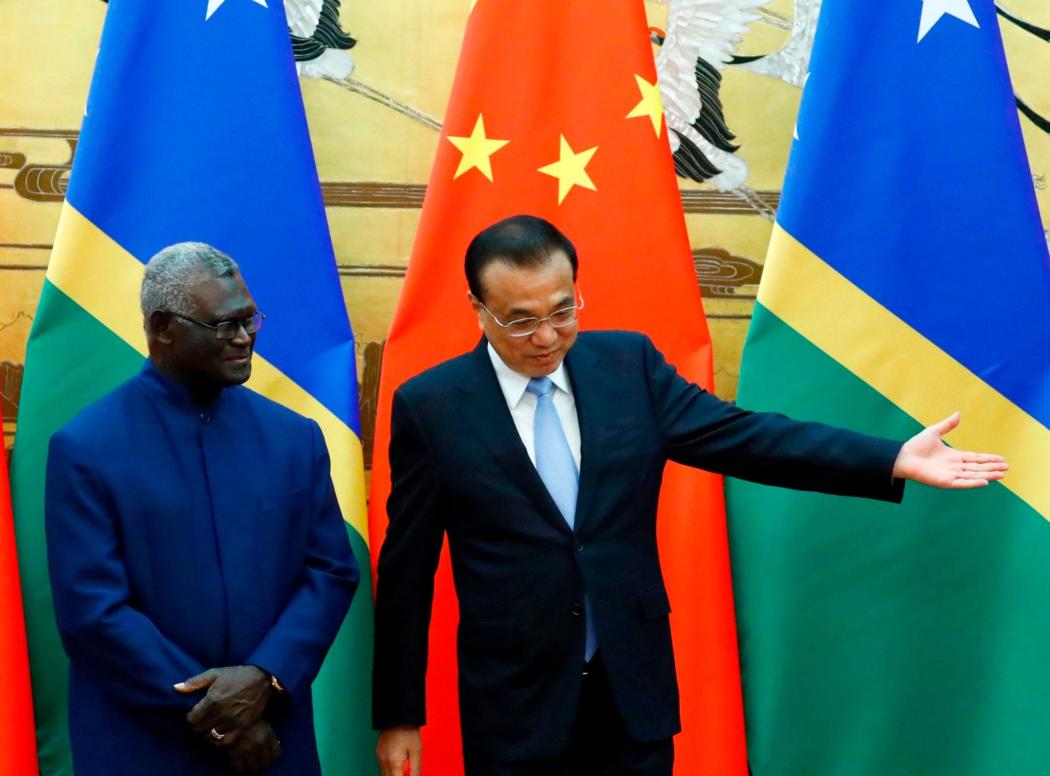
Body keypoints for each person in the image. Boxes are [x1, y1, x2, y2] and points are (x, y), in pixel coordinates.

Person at [371, 215, 1007, 776]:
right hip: (515, 705)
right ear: (477, 309)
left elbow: (745, 437)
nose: (545, 337)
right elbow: (407, 572)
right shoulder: (433, 406)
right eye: (521, 320)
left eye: (563, 311)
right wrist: (399, 715)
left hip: (632, 691)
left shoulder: (626, 367)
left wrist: (890, 458)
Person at [45, 242, 359, 775]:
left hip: (273, 739)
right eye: (223, 325)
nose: (244, 337)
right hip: (145, 744)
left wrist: (266, 675)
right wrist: (221, 716)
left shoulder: (294, 438)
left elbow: (329, 570)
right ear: (164, 327)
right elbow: (93, 614)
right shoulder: (86, 447)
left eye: (248, 318)